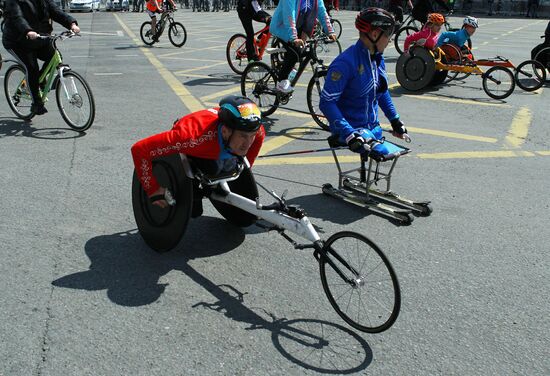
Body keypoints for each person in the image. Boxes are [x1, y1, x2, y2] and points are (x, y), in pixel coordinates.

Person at [131, 96, 265, 215]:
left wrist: (248, 167)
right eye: (243, 136)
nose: (248, 143)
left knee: (229, 167)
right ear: (225, 131)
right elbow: (139, 149)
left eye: (251, 136)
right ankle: (195, 183)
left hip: (216, 143)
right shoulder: (192, 138)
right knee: (196, 208)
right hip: (195, 140)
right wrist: (152, 188)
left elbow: (258, 136)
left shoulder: (255, 130)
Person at [319, 8, 409, 158]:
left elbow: (381, 91)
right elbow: (327, 103)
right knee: (383, 152)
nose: (390, 40)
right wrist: (348, 133)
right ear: (374, 34)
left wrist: (395, 120)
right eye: (388, 35)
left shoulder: (377, 58)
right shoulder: (345, 63)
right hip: (350, 132)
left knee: (389, 156)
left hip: (372, 130)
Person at [2, 0, 79, 115]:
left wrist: (71, 23)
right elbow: (17, 17)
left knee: (55, 57)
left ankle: (40, 81)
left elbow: (56, 12)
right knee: (32, 68)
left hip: (40, 39)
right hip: (17, 41)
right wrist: (28, 30)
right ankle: (36, 104)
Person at [269, 0, 336, 93]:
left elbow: (322, 11)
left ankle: (290, 70)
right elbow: (289, 14)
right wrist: (293, 38)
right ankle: (281, 81)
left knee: (303, 51)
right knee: (295, 52)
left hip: (298, 28)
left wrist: (330, 31)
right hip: (282, 27)